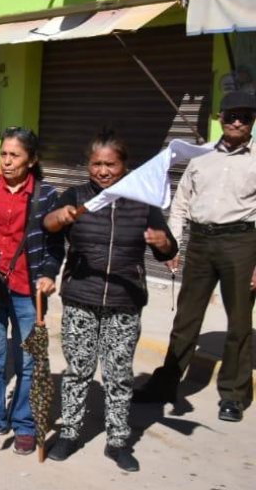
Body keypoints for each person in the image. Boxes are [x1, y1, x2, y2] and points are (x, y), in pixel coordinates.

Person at [43, 131, 177, 472]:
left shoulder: (143, 202)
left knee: (119, 375)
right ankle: (70, 433)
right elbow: (48, 226)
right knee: (78, 370)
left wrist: (162, 242)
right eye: (96, 164)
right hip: (80, 299)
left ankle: (118, 441)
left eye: (110, 164)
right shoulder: (75, 196)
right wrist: (60, 218)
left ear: (124, 166)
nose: (103, 171)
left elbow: (169, 249)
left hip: (125, 300)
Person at [135, 91, 256, 422]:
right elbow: (182, 203)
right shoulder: (201, 158)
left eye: (244, 117)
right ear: (220, 118)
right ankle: (164, 386)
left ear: (252, 122)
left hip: (242, 241)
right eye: (231, 115)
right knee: (186, 319)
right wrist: (173, 245)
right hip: (201, 242)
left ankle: (233, 394)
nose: (237, 122)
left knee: (240, 324)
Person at [0, 126, 63, 456]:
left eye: (14, 155)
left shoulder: (46, 195)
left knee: (29, 361)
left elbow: (55, 246)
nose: (6, 161)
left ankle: (24, 424)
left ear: (31, 159)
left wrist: (48, 275)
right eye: (3, 154)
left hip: (27, 288)